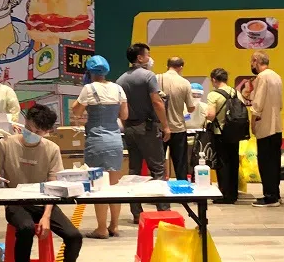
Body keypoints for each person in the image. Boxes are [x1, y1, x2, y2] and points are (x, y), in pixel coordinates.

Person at [0, 104, 87, 262]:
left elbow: (53, 186)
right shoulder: (6, 144)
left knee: (74, 236)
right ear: (25, 123)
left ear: (47, 132)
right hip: (15, 202)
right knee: (24, 229)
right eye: (30, 128)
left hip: (44, 202)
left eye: (38, 132)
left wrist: (46, 216)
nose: (32, 134)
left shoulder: (52, 149)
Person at [71, 55, 128, 239]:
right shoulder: (118, 89)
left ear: (89, 71)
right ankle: (115, 226)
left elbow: (77, 112)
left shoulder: (89, 88)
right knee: (114, 185)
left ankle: (101, 228)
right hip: (115, 140)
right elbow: (124, 115)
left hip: (96, 139)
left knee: (99, 186)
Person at [117, 43, 171, 221]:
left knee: (134, 170)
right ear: (140, 58)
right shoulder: (149, 76)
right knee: (157, 169)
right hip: (148, 127)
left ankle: (137, 213)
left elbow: (121, 108)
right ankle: (163, 212)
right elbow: (157, 102)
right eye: (147, 55)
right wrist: (165, 126)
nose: (149, 58)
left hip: (130, 128)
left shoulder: (121, 80)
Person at [249, 51, 283, 207]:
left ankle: (270, 196)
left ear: (256, 61)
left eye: (251, 61)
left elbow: (257, 104)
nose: (251, 65)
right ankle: (275, 193)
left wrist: (253, 122)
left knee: (265, 162)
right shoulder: (276, 76)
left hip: (265, 126)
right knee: (274, 162)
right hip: (277, 125)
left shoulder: (262, 77)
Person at [157, 56, 195, 180]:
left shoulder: (156, 78)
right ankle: (183, 195)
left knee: (158, 164)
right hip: (178, 128)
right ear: (181, 67)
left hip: (159, 128)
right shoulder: (185, 83)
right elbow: (190, 108)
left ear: (167, 66)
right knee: (180, 164)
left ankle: (159, 195)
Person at [205, 68, 240, 204]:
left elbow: (211, 115)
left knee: (223, 164)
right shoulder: (235, 92)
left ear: (214, 79)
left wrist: (205, 115)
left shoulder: (213, 95)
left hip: (220, 133)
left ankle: (224, 194)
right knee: (234, 163)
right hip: (235, 133)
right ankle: (233, 193)